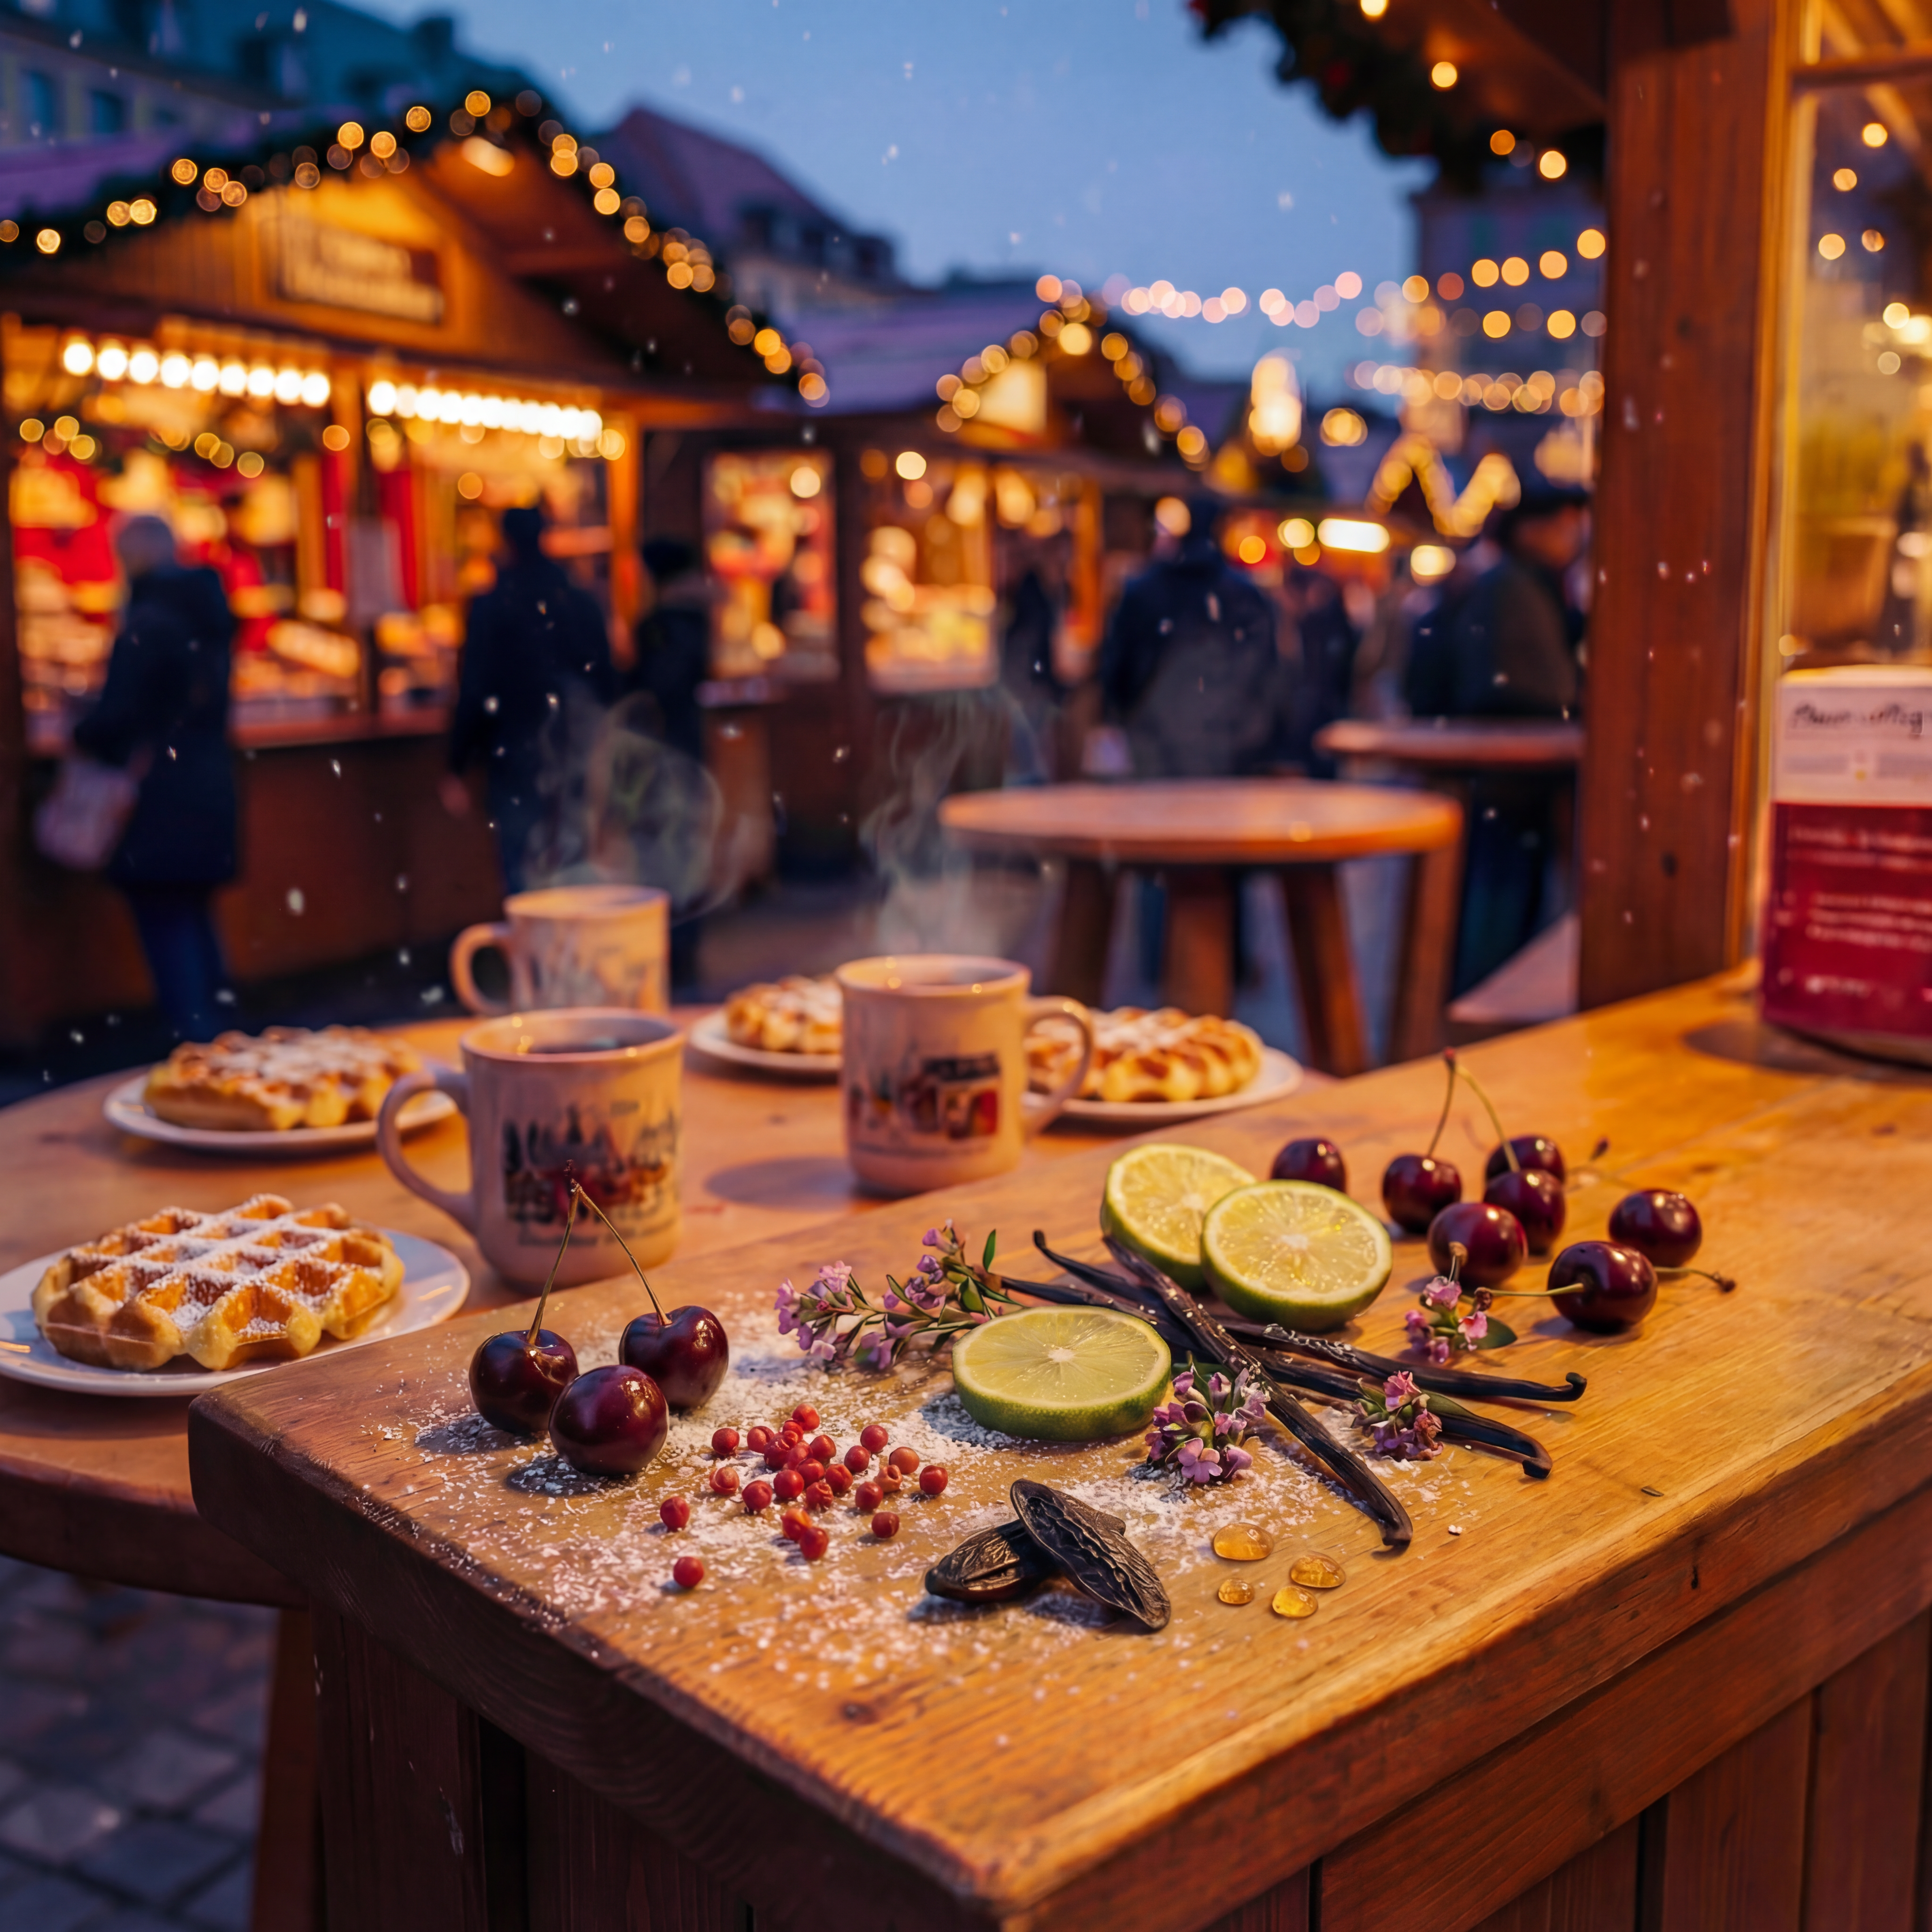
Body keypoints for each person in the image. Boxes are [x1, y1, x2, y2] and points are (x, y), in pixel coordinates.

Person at [1404, 485, 1592, 993]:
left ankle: (1472, 999)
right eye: (1563, 524)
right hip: (1505, 782)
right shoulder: (1513, 587)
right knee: (1496, 910)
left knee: (1502, 903)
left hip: (1504, 781)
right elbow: (1532, 686)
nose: (1573, 537)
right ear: (1530, 529)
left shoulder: (1521, 583)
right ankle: (1474, 1007)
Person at [73, 515, 236, 1041]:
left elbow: (119, 715)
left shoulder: (148, 621)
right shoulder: (207, 613)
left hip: (159, 796)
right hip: (207, 784)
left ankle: (198, 1046)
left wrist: (81, 730)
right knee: (193, 915)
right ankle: (221, 1039)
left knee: (167, 922)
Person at [449, 504, 615, 892]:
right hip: (575, 745)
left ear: (505, 541)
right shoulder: (579, 601)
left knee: (521, 858)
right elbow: (605, 680)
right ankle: (569, 928)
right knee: (573, 852)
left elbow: (476, 685)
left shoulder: (493, 606)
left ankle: (534, 929)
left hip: (515, 746)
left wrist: (457, 762)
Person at [1098, 497, 1284, 777]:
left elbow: (1116, 671)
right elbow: (1269, 680)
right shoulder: (1246, 596)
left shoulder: (1143, 591)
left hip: (1155, 746)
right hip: (1225, 753)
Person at [625, 538, 709, 766]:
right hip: (690, 731)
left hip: (665, 734)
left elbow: (660, 681)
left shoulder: (662, 626)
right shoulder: (696, 619)